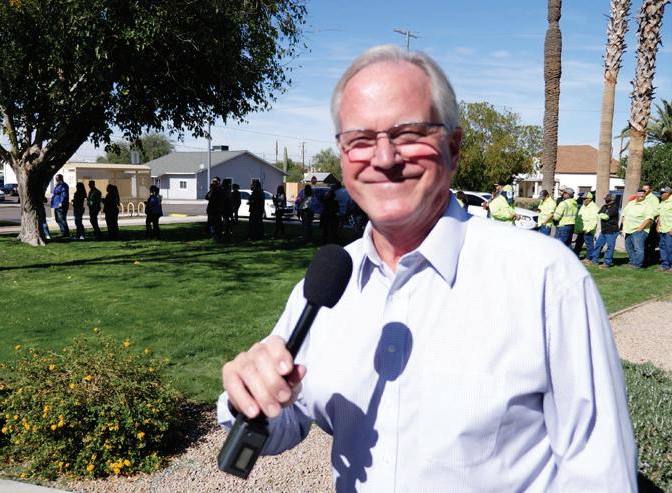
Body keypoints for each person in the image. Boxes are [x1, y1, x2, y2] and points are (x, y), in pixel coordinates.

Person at [218, 45, 636, 490]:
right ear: (342, 156)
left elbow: (600, 473)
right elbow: (288, 419)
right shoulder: (325, 285)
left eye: (409, 134)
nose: (384, 158)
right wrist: (252, 396)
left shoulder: (546, 279)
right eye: (360, 140)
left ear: (453, 148)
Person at [621, 189, 654, 269]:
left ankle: (637, 264)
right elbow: (624, 214)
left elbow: (649, 219)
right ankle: (632, 262)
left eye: (643, 194)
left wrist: (640, 228)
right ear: (636, 194)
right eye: (639, 194)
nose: (641, 196)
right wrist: (623, 225)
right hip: (628, 230)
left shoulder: (648, 205)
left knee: (638, 248)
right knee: (629, 247)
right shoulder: (631, 203)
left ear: (645, 195)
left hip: (639, 231)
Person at [590, 194, 620, 269]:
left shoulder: (615, 207)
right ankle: (594, 260)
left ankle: (607, 263)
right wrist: (600, 215)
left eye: (608, 200)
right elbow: (598, 214)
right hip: (604, 230)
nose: (606, 201)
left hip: (612, 231)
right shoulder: (604, 206)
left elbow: (606, 217)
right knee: (598, 245)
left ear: (613, 200)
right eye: (606, 199)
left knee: (610, 247)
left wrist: (600, 215)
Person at [573, 192, 599, 263]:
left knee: (589, 244)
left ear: (590, 199)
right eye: (583, 199)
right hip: (582, 228)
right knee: (578, 243)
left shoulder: (594, 207)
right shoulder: (583, 206)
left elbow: (594, 220)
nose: (583, 200)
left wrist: (589, 229)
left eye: (585, 198)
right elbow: (580, 216)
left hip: (588, 229)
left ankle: (589, 258)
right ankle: (575, 256)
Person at [641, 182, 660, 266]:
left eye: (646, 189)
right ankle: (643, 259)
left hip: (650, 223)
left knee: (650, 243)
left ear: (650, 190)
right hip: (642, 222)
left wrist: (647, 215)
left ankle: (650, 260)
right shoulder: (642, 197)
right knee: (643, 242)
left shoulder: (653, 199)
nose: (644, 190)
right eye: (643, 188)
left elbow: (656, 211)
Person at [657, 186, 672, 272]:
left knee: (670, 248)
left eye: (662, 193)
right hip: (662, 228)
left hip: (670, 229)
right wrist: (658, 225)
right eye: (660, 193)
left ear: (668, 193)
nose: (661, 194)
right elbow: (660, 215)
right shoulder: (662, 202)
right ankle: (665, 265)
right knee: (662, 247)